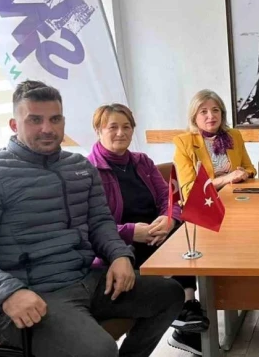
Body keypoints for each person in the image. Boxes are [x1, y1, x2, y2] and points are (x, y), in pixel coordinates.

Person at [0, 80, 184, 357]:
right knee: (99, 350)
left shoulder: (78, 166)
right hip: (28, 295)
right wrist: (8, 293)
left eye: (55, 119)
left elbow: (100, 221)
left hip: (85, 278)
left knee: (170, 294)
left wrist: (119, 256)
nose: (47, 128)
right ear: (13, 124)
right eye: (35, 120)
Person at [87, 104, 209, 355]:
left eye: (126, 126)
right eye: (113, 127)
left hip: (156, 234)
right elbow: (92, 225)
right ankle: (183, 316)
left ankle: (187, 307)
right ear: (98, 130)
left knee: (187, 234)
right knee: (177, 254)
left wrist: (168, 219)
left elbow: (168, 198)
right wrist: (132, 232)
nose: (121, 132)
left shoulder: (142, 161)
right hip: (120, 248)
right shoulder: (88, 171)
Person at [174, 89, 256, 200]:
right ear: (194, 117)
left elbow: (250, 169)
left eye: (215, 110)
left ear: (222, 114)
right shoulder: (184, 143)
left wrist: (244, 173)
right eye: (203, 112)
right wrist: (226, 179)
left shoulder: (234, 136)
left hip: (236, 197)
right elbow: (189, 191)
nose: (211, 116)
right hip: (205, 203)